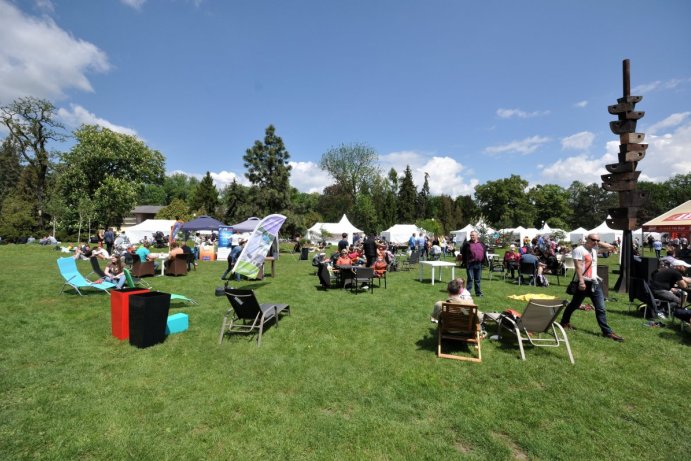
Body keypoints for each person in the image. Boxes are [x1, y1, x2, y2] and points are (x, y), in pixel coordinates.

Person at [559, 233, 624, 341]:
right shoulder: (579, 250)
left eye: (598, 240)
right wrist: (581, 282)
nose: (596, 242)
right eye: (593, 239)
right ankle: (564, 322)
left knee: (601, 308)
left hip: (594, 283)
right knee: (574, 305)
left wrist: (597, 242)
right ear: (587, 239)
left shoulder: (594, 250)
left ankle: (607, 332)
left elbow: (611, 247)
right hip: (583, 282)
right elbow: (578, 266)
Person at [459, 231, 487, 297]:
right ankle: (468, 293)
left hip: (479, 264)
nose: (472, 236)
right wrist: (465, 262)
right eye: (471, 235)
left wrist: (483, 261)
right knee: (470, 279)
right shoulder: (467, 244)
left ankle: (478, 293)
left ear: (477, 236)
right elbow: (462, 252)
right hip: (470, 264)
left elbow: (484, 251)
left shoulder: (481, 243)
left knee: (478, 279)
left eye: (473, 235)